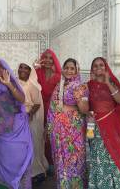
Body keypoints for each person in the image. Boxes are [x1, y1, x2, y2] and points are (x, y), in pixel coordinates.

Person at [0, 59, 33, 189]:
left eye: (1, 66)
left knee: (17, 161)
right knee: (2, 163)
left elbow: (22, 99)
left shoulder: (12, 85)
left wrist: (9, 84)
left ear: (7, 70)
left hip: (16, 131)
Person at [47, 58, 89, 188]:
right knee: (61, 162)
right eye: (66, 68)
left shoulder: (81, 86)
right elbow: (53, 108)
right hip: (59, 132)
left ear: (77, 70)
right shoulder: (59, 86)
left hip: (74, 131)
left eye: (72, 68)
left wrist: (73, 104)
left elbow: (85, 109)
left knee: (75, 159)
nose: (69, 71)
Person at [87, 57, 120, 188]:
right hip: (93, 124)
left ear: (106, 67)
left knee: (114, 155)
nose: (98, 67)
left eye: (101, 65)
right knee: (96, 155)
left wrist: (108, 82)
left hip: (111, 125)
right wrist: (89, 121)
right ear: (92, 69)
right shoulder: (88, 86)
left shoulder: (112, 83)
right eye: (95, 66)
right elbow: (85, 107)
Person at [17, 62, 49, 185]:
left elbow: (37, 103)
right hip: (16, 121)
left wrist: (29, 114)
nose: (23, 70)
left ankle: (37, 172)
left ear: (31, 72)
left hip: (29, 120)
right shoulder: (13, 82)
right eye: (21, 67)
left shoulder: (32, 85)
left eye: (26, 68)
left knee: (33, 146)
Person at [35, 49, 61, 169]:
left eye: (51, 58)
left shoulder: (59, 75)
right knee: (39, 136)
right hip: (39, 108)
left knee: (51, 137)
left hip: (53, 110)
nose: (49, 60)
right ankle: (40, 164)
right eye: (46, 57)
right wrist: (33, 66)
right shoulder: (37, 72)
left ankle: (51, 163)